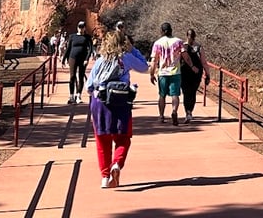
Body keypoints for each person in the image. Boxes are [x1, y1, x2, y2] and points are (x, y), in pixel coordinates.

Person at [85, 30, 148, 189]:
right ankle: (117, 164)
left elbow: (89, 86)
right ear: (123, 43)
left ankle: (105, 178)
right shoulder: (125, 58)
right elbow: (144, 67)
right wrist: (133, 50)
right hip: (121, 102)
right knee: (123, 138)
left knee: (102, 140)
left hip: (100, 103)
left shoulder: (100, 60)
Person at [148, 22, 184, 125]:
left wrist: (152, 73)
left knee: (162, 95)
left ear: (162, 31)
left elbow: (154, 60)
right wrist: (191, 65)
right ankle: (174, 111)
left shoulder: (157, 43)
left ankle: (161, 116)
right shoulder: (178, 41)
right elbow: (185, 56)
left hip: (163, 73)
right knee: (175, 94)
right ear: (171, 30)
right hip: (175, 72)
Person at [178, 29, 210, 124]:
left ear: (186, 35)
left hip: (185, 72)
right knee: (192, 93)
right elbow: (204, 62)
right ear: (195, 36)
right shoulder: (199, 47)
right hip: (196, 72)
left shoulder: (182, 47)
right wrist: (207, 74)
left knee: (186, 93)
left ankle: (188, 112)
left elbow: (178, 60)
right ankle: (189, 112)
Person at [64, 20, 93, 103]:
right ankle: (71, 96)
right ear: (77, 28)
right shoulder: (72, 36)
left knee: (81, 77)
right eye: (79, 27)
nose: (81, 29)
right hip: (72, 58)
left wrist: (87, 59)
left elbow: (90, 49)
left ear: (85, 28)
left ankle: (78, 95)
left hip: (82, 59)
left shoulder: (87, 37)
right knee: (72, 77)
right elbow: (68, 48)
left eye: (82, 27)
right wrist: (63, 59)